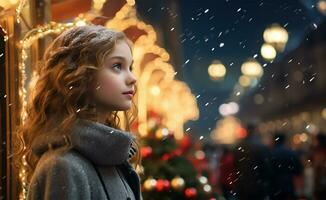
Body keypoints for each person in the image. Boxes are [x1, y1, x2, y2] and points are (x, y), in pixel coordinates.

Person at [17, 24, 142, 200]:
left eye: (130, 67)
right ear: (80, 74)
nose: (132, 78)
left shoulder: (112, 160)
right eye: (117, 66)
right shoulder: (63, 166)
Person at [269, 132, 303, 200]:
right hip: (288, 185)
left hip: (274, 185)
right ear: (284, 140)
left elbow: (267, 171)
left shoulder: (271, 153)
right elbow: (298, 171)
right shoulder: (291, 153)